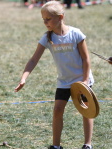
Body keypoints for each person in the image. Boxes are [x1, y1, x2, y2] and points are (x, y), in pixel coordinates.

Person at [14, 1, 94, 149]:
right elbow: (33, 59)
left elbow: (86, 59)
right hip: (64, 81)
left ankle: (87, 144)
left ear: (60, 17)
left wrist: (84, 81)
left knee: (86, 109)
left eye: (48, 19)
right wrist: (24, 78)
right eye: (43, 19)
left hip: (82, 78)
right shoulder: (47, 38)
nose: (45, 22)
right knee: (57, 110)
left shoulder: (76, 34)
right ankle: (56, 146)